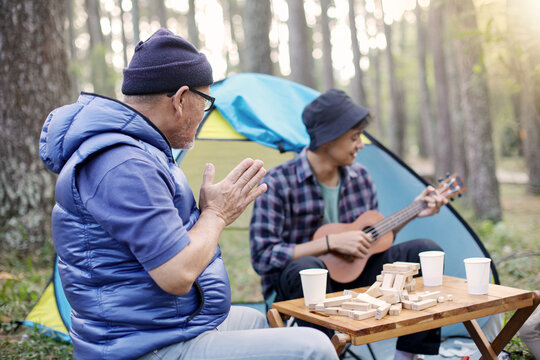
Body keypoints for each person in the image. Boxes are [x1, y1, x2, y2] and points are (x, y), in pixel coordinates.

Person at [40, 29, 338, 360]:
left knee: (255, 320)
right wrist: (216, 215)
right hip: (141, 346)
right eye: (206, 102)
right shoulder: (124, 164)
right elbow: (176, 274)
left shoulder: (137, 153)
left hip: (156, 324)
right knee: (314, 346)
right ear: (181, 99)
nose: (205, 114)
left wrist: (210, 210)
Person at [250, 89, 449, 360]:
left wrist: (415, 211)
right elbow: (262, 257)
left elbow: (372, 240)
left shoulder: (360, 177)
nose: (361, 144)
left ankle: (407, 356)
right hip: (298, 288)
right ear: (327, 139)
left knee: (424, 252)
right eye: (354, 137)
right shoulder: (277, 183)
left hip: (357, 277)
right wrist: (329, 243)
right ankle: (325, 354)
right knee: (308, 269)